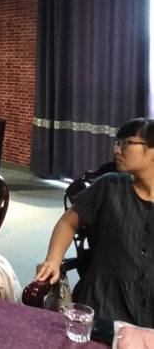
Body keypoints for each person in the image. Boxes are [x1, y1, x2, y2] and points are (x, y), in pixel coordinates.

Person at [33, 117, 154, 327]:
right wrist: (53, 259)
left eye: (126, 143)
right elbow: (68, 223)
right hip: (105, 300)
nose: (117, 150)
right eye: (117, 143)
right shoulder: (110, 186)